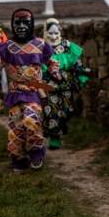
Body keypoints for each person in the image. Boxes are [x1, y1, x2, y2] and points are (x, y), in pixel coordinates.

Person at [0, 8, 59, 171]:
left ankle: (36, 153)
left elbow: (52, 61)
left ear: (31, 25)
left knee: (31, 120)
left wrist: (54, 71)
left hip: (34, 91)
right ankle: (18, 159)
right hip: (16, 92)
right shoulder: (7, 47)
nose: (22, 26)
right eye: (18, 23)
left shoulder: (40, 44)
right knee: (15, 127)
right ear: (12, 25)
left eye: (26, 23)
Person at [41, 18, 84, 149]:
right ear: (45, 31)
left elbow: (77, 62)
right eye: (50, 33)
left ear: (60, 32)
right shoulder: (41, 47)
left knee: (67, 110)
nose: (53, 37)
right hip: (49, 85)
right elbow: (36, 65)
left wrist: (81, 76)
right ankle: (55, 138)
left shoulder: (67, 45)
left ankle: (59, 125)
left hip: (66, 84)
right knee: (52, 111)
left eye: (56, 33)